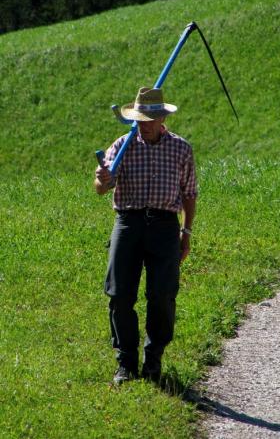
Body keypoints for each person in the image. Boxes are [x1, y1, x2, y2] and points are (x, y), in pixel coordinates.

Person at [94, 87, 197, 384]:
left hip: (165, 226)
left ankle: (153, 360)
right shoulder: (123, 145)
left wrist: (186, 231)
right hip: (128, 222)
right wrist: (102, 180)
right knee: (119, 295)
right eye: (140, 119)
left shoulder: (181, 149)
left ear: (162, 117)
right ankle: (125, 362)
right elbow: (101, 186)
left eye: (150, 119)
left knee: (162, 295)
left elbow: (189, 193)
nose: (145, 125)